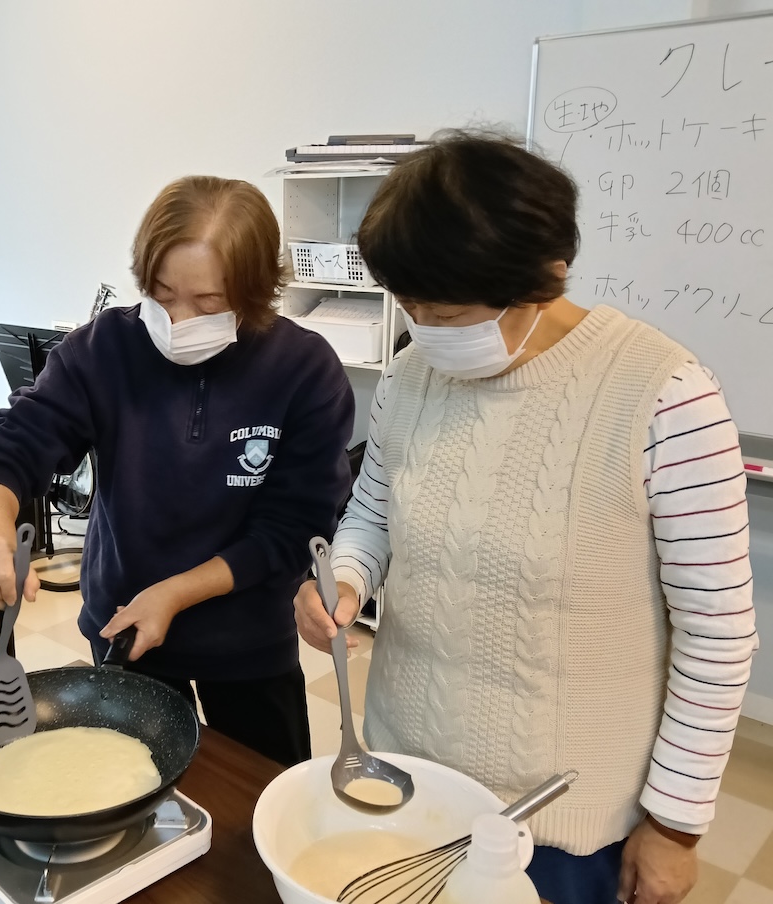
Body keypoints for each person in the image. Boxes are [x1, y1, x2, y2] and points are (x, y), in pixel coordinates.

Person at [293, 132, 757, 904]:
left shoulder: (667, 396)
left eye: (446, 311)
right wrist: (343, 580)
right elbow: (374, 510)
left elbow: (717, 636)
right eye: (411, 306)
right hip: (411, 774)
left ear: (546, 275)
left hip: (563, 821)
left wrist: (675, 827)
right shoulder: (411, 375)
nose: (424, 328)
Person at [0, 175, 354, 767]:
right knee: (132, 785)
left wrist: (173, 593)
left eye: (208, 302)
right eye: (162, 294)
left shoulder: (304, 370)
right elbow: (11, 447)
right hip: (125, 625)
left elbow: (291, 528)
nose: (177, 320)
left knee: (259, 792)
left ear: (254, 292)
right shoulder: (104, 349)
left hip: (249, 639)